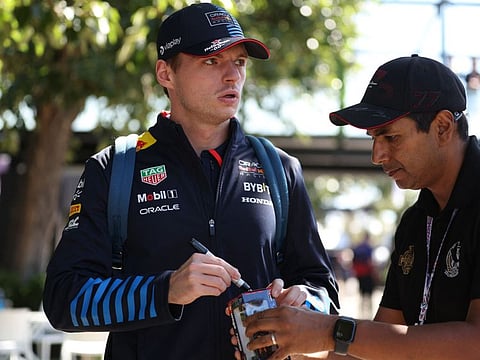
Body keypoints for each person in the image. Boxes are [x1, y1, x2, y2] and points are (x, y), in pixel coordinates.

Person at [42, 3, 339, 360]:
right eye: (211, 61)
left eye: (240, 62)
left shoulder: (280, 169)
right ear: (166, 73)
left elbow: (325, 295)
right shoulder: (113, 168)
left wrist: (304, 302)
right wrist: (165, 290)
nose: (232, 76)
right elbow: (64, 300)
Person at [239, 55, 480, 359]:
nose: (377, 155)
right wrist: (293, 340)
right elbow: (380, 344)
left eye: (391, 137)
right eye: (373, 139)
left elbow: (476, 343)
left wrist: (329, 331)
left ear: (443, 126)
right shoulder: (416, 221)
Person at [351, 232, 375, 318]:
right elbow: (370, 261)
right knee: (369, 296)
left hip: (360, 274)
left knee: (361, 294)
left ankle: (361, 313)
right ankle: (369, 314)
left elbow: (353, 262)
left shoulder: (358, 247)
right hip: (367, 274)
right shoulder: (368, 248)